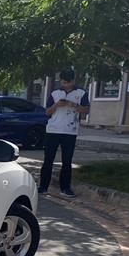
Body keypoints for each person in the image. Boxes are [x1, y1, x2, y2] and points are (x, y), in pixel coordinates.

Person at [39, 70, 90, 198]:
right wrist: (57, 105)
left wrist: (72, 104)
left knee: (67, 161)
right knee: (48, 160)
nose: (65, 85)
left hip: (70, 131)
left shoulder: (81, 93)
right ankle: (43, 186)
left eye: (68, 82)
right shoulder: (55, 93)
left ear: (73, 81)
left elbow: (86, 110)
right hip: (53, 130)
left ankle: (65, 188)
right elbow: (47, 112)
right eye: (63, 82)